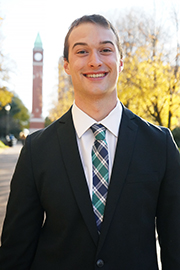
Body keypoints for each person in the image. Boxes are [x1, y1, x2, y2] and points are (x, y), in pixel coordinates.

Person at [0, 14, 180, 270]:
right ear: (66, 65)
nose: (95, 61)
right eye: (82, 51)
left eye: (105, 50)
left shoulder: (160, 145)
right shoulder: (36, 149)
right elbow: (15, 251)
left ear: (121, 61)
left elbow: (176, 246)